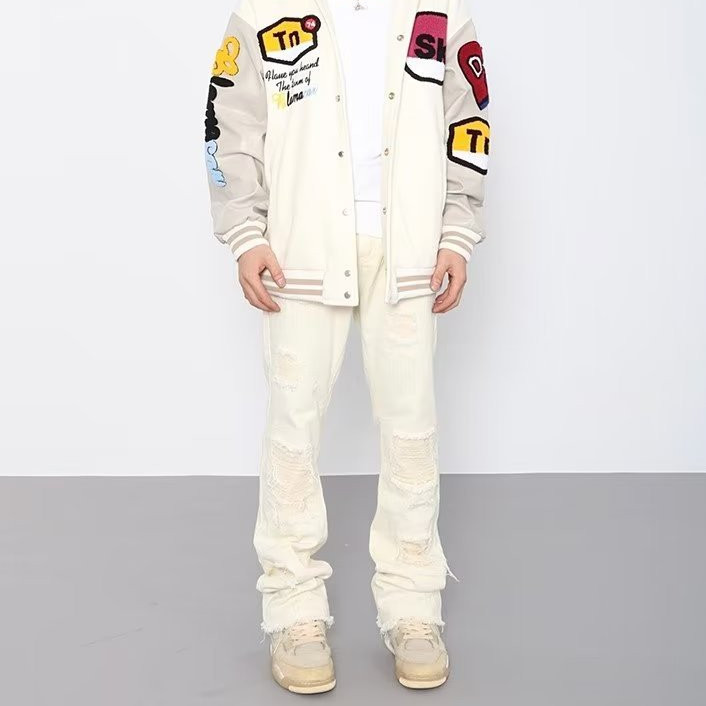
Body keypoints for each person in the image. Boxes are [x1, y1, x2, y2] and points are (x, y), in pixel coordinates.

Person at [205, 0, 489, 693]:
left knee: (411, 433)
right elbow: (227, 121)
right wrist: (245, 232)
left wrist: (457, 230)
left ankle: (413, 608)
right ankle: (294, 612)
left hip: (409, 254)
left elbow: (469, 120)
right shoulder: (264, 10)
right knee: (293, 435)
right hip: (299, 252)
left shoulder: (440, 11)